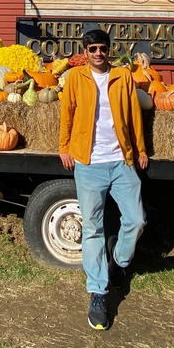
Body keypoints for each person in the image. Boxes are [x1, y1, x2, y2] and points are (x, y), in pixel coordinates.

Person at [58, 28, 148, 330]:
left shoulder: (123, 76)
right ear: (85, 51)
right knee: (93, 228)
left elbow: (135, 113)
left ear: (109, 50)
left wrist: (140, 149)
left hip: (121, 161)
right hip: (88, 163)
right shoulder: (75, 78)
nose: (98, 53)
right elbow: (66, 113)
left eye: (103, 48)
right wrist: (64, 147)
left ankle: (119, 262)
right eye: (93, 48)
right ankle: (97, 291)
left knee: (136, 219)